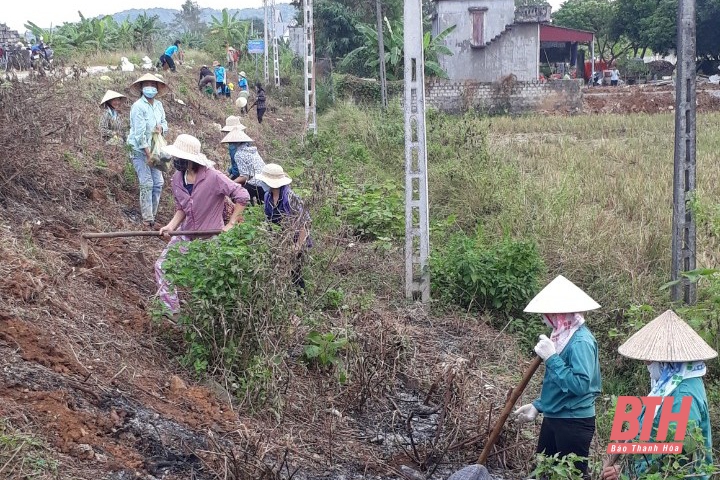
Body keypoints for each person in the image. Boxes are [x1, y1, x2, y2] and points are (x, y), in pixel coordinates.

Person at [601, 310, 715, 480]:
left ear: (666, 361)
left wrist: (626, 473)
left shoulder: (682, 397)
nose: (646, 364)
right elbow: (647, 431)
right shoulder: (669, 385)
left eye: (649, 360)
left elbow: (673, 460)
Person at [513, 275, 602, 480]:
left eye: (547, 314)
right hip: (555, 417)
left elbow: (580, 385)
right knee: (542, 473)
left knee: (571, 476)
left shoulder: (580, 342)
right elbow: (558, 384)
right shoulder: (561, 336)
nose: (545, 319)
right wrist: (538, 405)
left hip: (574, 422)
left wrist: (552, 358)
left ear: (559, 314)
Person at [155, 134, 250, 314]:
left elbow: (242, 196)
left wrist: (231, 223)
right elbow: (181, 208)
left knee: (207, 279)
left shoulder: (213, 177)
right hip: (186, 234)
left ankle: (208, 316)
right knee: (162, 266)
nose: (178, 161)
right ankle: (171, 312)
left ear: (192, 160)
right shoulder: (177, 178)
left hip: (210, 237)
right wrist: (171, 227)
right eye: (177, 157)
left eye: (181, 158)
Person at [255, 164, 311, 292]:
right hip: (279, 240)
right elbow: (268, 220)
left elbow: (305, 223)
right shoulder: (267, 196)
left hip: (295, 240)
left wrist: (297, 246)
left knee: (295, 272)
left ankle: (300, 298)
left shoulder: (290, 198)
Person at [127, 73, 169, 229]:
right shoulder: (138, 106)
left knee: (158, 183)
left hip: (155, 149)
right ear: (142, 88)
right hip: (139, 150)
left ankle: (152, 216)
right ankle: (147, 219)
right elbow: (139, 133)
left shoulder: (158, 105)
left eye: (153, 85)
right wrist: (147, 153)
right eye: (147, 85)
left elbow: (165, 123)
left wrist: (161, 128)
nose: (150, 88)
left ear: (157, 88)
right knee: (147, 183)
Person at [221, 128, 266, 205]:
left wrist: (231, 183)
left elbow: (244, 176)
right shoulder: (252, 149)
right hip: (265, 179)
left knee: (238, 196)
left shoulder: (238, 154)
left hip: (256, 182)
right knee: (262, 202)